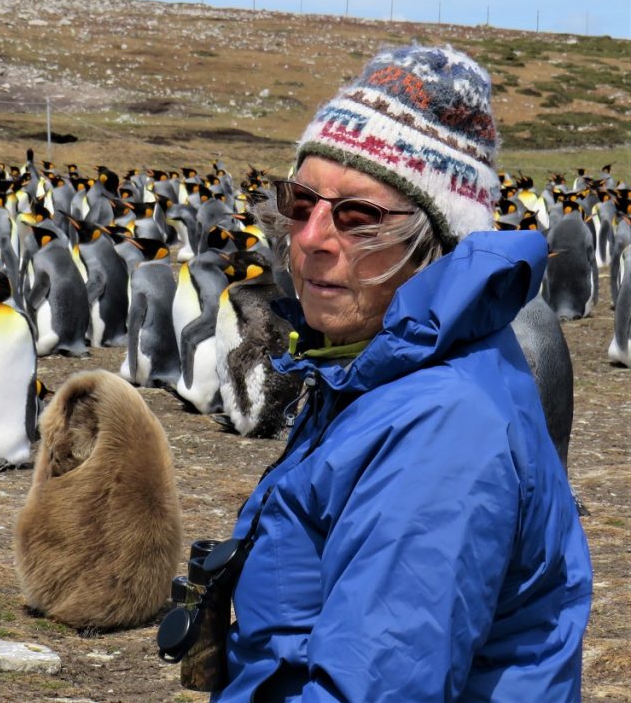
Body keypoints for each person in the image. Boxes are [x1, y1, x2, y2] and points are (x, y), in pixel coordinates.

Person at [217, 46, 592, 701]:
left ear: (435, 240)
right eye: (301, 203)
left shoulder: (442, 428)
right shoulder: (375, 369)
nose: (311, 238)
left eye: (359, 216)